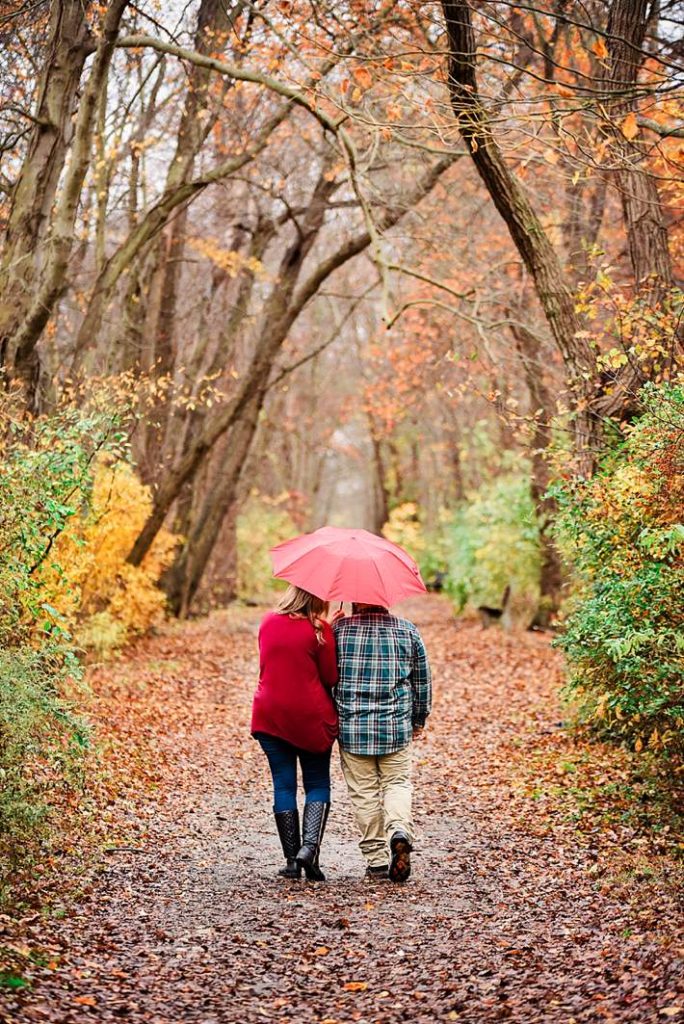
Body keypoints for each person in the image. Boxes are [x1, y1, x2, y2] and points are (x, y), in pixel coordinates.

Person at [333, 603, 431, 882]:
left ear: (355, 602)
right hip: (395, 726)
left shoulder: (340, 631)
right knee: (396, 783)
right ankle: (399, 830)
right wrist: (419, 718)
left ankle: (376, 860)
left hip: (353, 728)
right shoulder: (407, 630)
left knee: (363, 792)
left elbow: (327, 676)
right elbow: (422, 680)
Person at [251, 585, 339, 881]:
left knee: (283, 785)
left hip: (270, 715)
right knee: (316, 783)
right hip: (310, 718)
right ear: (318, 599)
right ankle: (309, 851)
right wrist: (330, 635)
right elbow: (331, 677)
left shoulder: (267, 622)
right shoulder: (319, 629)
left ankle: (291, 860)